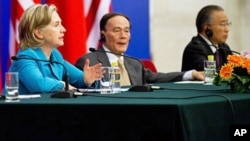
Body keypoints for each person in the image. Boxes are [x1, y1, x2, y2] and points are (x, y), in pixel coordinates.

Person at [75, 12, 204, 86]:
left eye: (127, 31)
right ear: (103, 34)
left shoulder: (134, 63)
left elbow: (157, 78)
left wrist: (190, 74)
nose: (123, 36)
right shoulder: (89, 62)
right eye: (117, 30)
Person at [5, 4, 102, 94]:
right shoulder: (25, 57)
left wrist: (87, 79)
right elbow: (39, 85)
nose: (63, 29)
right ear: (39, 33)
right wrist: (63, 85)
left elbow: (79, 78)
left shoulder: (55, 55)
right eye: (56, 25)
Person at [181, 5, 232, 72]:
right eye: (222, 24)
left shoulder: (223, 47)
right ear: (207, 29)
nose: (227, 29)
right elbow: (210, 74)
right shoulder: (195, 49)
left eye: (227, 24)